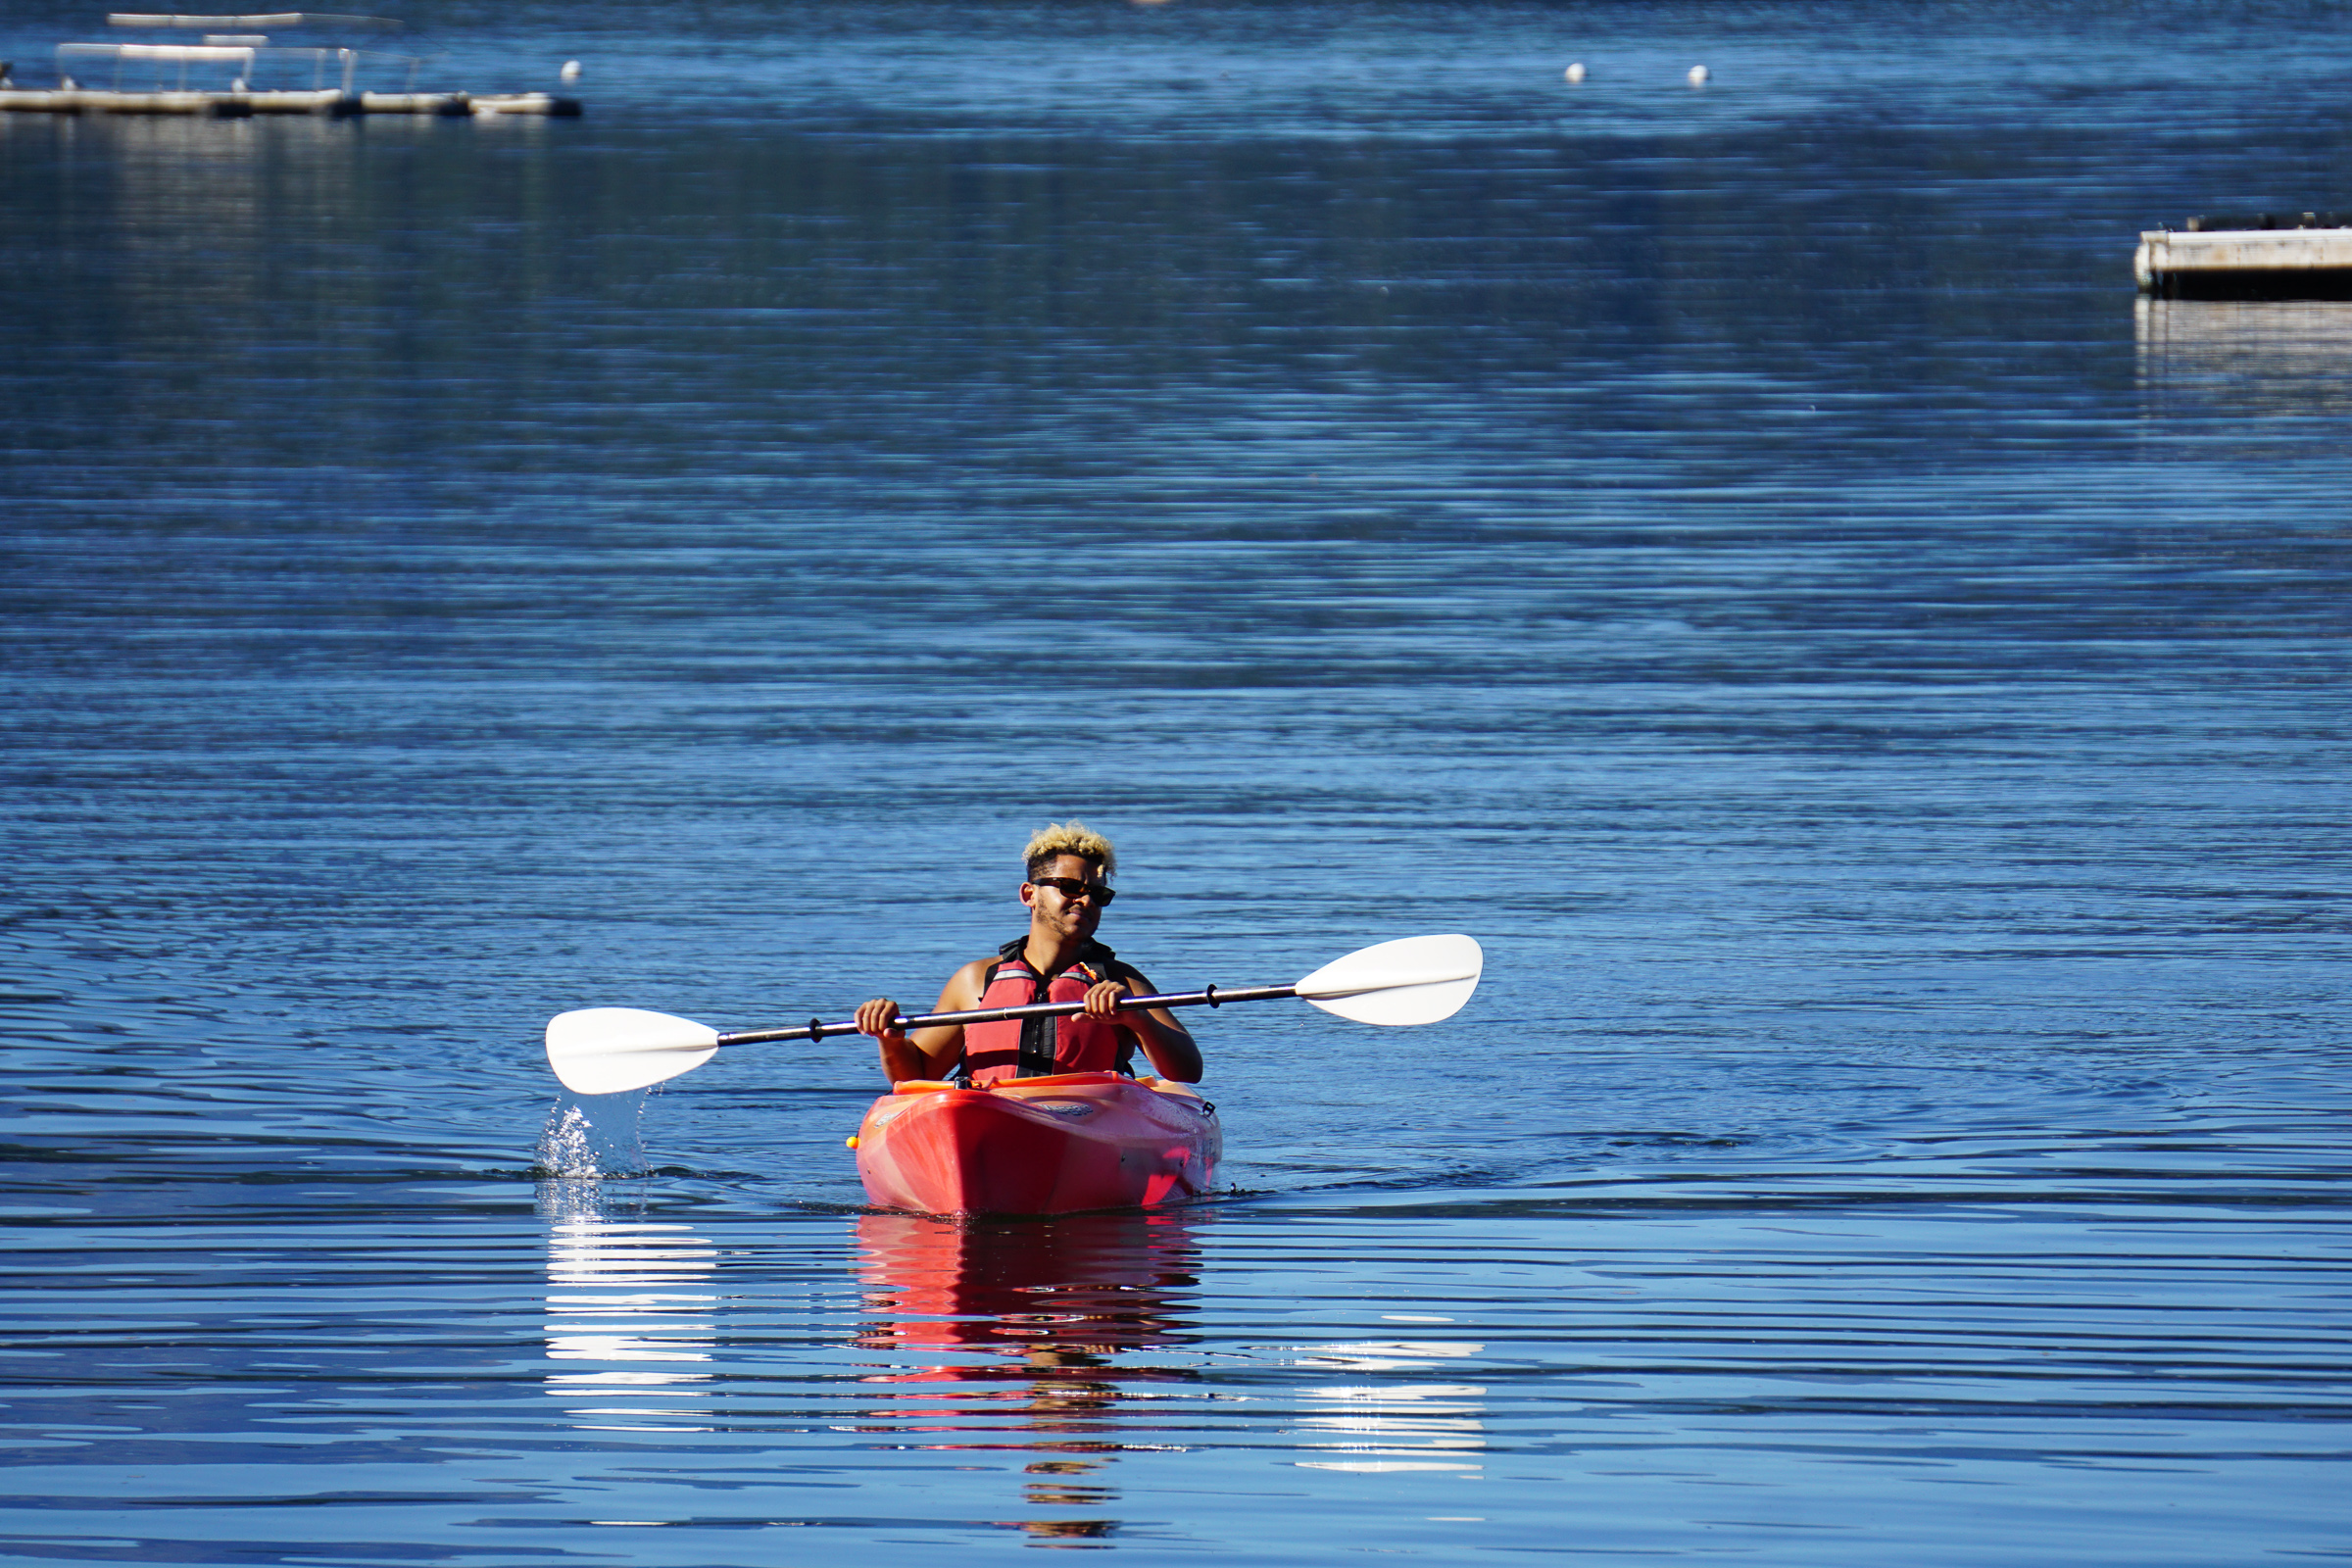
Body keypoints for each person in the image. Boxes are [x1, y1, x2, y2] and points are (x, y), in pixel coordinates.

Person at [854, 822, 1203, 1086]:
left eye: (1098, 895)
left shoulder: (1121, 982)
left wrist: (1138, 1019)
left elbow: (1189, 1071)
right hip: (990, 1118)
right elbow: (916, 1076)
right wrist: (890, 1040)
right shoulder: (975, 980)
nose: (1086, 900)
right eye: (1070, 887)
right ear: (1029, 895)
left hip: (1085, 1120)